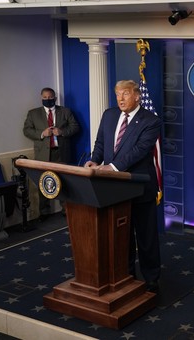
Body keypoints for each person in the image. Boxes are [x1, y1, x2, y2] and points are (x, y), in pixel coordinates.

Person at [84, 80, 162, 293]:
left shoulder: (151, 120)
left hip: (139, 186)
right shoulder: (109, 115)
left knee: (146, 237)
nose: (120, 98)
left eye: (125, 94)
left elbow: (140, 150)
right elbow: (100, 143)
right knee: (122, 234)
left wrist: (113, 166)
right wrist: (95, 160)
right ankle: (126, 274)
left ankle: (152, 278)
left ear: (137, 96)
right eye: (118, 94)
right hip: (114, 189)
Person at [23, 87, 80, 220]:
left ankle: (66, 209)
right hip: (43, 155)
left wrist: (62, 132)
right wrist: (42, 133)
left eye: (50, 97)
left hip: (61, 153)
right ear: (41, 98)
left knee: (64, 181)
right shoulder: (33, 113)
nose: (48, 100)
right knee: (43, 182)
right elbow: (26, 130)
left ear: (55, 98)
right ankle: (44, 212)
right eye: (45, 98)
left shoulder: (65, 111)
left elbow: (75, 127)